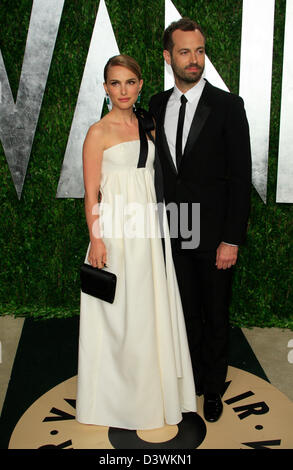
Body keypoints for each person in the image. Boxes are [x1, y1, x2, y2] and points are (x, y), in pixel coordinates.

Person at [75, 54, 196, 430]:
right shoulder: (98, 132)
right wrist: (96, 240)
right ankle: (116, 398)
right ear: (105, 87)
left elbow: (159, 179)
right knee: (118, 316)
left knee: (148, 313)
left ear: (140, 85)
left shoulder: (150, 125)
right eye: (115, 83)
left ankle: (153, 393)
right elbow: (91, 193)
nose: (123, 90)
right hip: (114, 233)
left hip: (148, 232)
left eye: (130, 82)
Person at [149, 18, 252, 423]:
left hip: (214, 237)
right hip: (173, 231)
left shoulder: (228, 106)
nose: (195, 60)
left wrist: (232, 239)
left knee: (215, 315)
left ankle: (213, 389)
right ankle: (189, 383)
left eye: (200, 51)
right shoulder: (156, 105)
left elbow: (241, 178)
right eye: (185, 52)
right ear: (168, 56)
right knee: (185, 312)